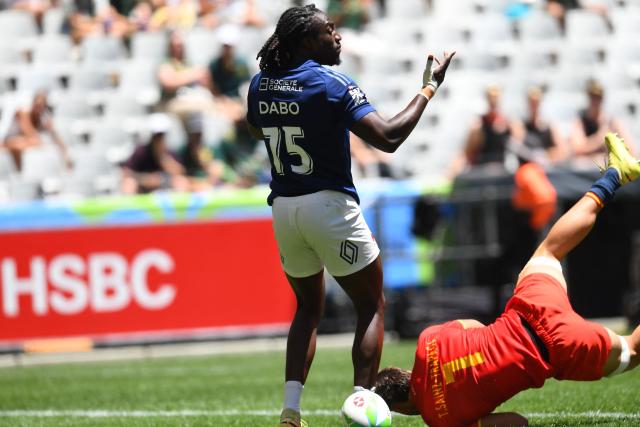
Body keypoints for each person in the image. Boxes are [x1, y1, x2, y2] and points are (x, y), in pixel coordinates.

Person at [245, 4, 454, 426]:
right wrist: (429, 87)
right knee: (371, 304)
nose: (338, 36)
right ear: (307, 40)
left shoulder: (259, 83)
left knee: (307, 309)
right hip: (329, 204)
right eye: (329, 30)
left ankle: (291, 411)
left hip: (285, 209)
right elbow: (390, 137)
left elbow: (257, 126)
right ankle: (362, 404)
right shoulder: (329, 83)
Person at [373, 132, 640, 427]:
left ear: (403, 409)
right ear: (406, 374)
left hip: (557, 349)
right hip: (528, 309)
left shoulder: (442, 421)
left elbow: (517, 422)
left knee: (631, 352)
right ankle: (614, 175)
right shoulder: (427, 342)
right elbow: (475, 326)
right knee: (548, 252)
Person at [2, 91, 71, 172]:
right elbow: (31, 135)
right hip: (6, 142)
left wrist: (66, 157)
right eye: (37, 105)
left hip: (21, 143)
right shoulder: (22, 113)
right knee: (28, 143)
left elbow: (56, 138)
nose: (38, 109)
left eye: (41, 107)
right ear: (32, 103)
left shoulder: (43, 118)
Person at [569, 79, 635, 164]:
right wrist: (600, 138)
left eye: (598, 98)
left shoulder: (612, 122)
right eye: (592, 97)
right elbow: (577, 149)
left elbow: (631, 149)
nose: (595, 101)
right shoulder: (580, 121)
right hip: (587, 171)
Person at [120, 113, 189, 194]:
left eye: (161, 135)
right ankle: (129, 206)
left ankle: (179, 206)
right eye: (156, 135)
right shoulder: (141, 151)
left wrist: (162, 158)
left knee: (181, 182)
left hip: (165, 185)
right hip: (144, 187)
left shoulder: (169, 152)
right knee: (129, 184)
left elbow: (180, 172)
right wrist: (146, 179)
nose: (158, 138)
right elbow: (126, 172)